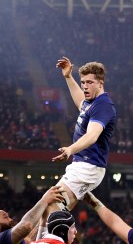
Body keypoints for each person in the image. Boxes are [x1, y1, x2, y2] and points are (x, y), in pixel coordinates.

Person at [49, 57, 117, 214]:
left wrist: (70, 149)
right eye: (83, 82)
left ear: (101, 83)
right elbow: (80, 101)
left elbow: (92, 136)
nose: (85, 87)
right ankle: (48, 239)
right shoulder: (91, 102)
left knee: (51, 208)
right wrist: (68, 77)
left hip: (88, 166)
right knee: (58, 214)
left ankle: (40, 240)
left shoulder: (103, 105)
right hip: (83, 165)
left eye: (89, 82)